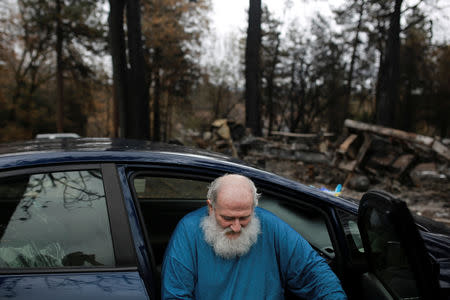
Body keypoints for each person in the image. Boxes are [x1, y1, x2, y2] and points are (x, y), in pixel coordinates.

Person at [161, 174, 347, 299]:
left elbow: (313, 271)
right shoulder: (189, 230)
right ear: (211, 207)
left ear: (254, 207)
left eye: (244, 217)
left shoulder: (271, 225)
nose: (236, 227)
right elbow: (175, 294)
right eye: (227, 218)